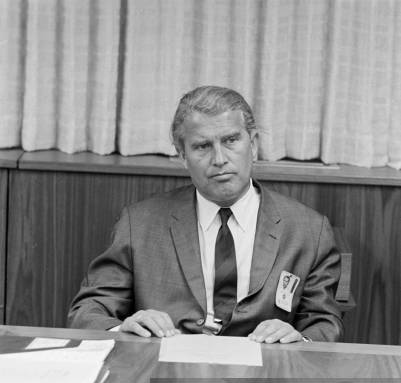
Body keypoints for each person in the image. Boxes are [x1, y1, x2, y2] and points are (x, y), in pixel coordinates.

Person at [68, 85, 343, 343]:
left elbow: (324, 323)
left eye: (231, 140)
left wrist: (298, 338)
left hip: (263, 380)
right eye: (202, 146)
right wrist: (125, 327)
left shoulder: (308, 230)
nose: (220, 159)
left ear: (254, 145)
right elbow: (87, 312)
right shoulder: (140, 224)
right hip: (168, 374)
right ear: (182, 155)